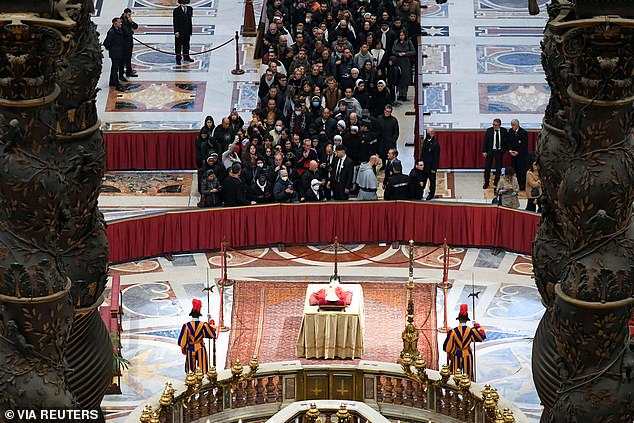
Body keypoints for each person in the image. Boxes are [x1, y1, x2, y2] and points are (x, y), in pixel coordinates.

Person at [443, 304, 486, 381]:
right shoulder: (471, 331)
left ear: (458, 319)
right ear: (467, 320)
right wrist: (476, 325)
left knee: (455, 375)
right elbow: (481, 336)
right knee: (468, 376)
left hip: (457, 355)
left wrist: (450, 353)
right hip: (467, 354)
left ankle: (455, 392)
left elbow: (447, 347)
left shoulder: (453, 332)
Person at [177, 299, 217, 373]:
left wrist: (184, 348)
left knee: (190, 369)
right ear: (199, 315)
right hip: (200, 347)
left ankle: (191, 381)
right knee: (203, 368)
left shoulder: (186, 326)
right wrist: (211, 323)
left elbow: (182, 341)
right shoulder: (203, 325)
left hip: (190, 348)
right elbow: (212, 334)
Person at [482, 118, 508, 189]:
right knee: (487, 168)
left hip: (499, 152)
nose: (494, 126)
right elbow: (485, 141)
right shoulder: (489, 131)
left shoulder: (504, 131)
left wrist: (504, 150)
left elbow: (506, 141)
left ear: (499, 125)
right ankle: (486, 183)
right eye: (493, 125)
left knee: (498, 168)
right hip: (490, 151)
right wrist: (484, 151)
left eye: (496, 125)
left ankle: (496, 182)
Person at [391, 30, 415, 102]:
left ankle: (404, 95)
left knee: (405, 78)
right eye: (400, 35)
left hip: (405, 61)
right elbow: (393, 51)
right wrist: (398, 54)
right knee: (398, 77)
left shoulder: (409, 42)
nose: (401, 36)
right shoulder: (396, 42)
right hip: (398, 61)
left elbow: (413, 51)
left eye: (402, 35)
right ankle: (399, 94)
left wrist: (405, 53)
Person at [103, 17, 126, 91]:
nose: (121, 23)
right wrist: (112, 49)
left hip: (119, 52)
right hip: (115, 53)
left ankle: (112, 82)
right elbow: (106, 43)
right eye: (119, 22)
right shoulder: (112, 32)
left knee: (114, 68)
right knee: (115, 69)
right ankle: (117, 85)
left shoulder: (118, 30)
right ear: (115, 23)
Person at [508, 119, 529, 191]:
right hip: (513, 155)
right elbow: (509, 142)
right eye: (511, 125)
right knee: (513, 170)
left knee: (521, 171)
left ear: (517, 125)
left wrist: (518, 152)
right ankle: (513, 185)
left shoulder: (523, 132)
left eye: (513, 125)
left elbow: (524, 145)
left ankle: (521, 185)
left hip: (521, 155)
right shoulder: (510, 131)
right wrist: (510, 150)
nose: (512, 127)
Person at [420, 127, 440, 200]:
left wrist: (434, 168)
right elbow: (423, 153)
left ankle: (431, 194)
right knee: (423, 179)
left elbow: (436, 158)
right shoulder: (426, 141)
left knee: (432, 182)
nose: (427, 134)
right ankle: (420, 192)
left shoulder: (435, 144)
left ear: (432, 134)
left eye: (428, 133)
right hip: (424, 166)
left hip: (431, 167)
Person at [173, 0, 194, 65]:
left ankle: (186, 57)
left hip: (187, 30)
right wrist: (176, 31)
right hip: (179, 31)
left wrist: (190, 30)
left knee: (186, 45)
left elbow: (189, 20)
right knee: (178, 46)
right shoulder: (176, 10)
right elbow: (175, 21)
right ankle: (178, 59)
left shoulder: (190, 9)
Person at [120, 8, 138, 78]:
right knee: (125, 57)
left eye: (130, 15)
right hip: (124, 41)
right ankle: (127, 71)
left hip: (129, 40)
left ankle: (129, 70)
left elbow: (136, 26)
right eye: (128, 15)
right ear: (125, 13)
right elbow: (126, 32)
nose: (129, 16)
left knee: (129, 56)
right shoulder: (121, 20)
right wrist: (131, 32)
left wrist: (131, 22)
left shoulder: (128, 20)